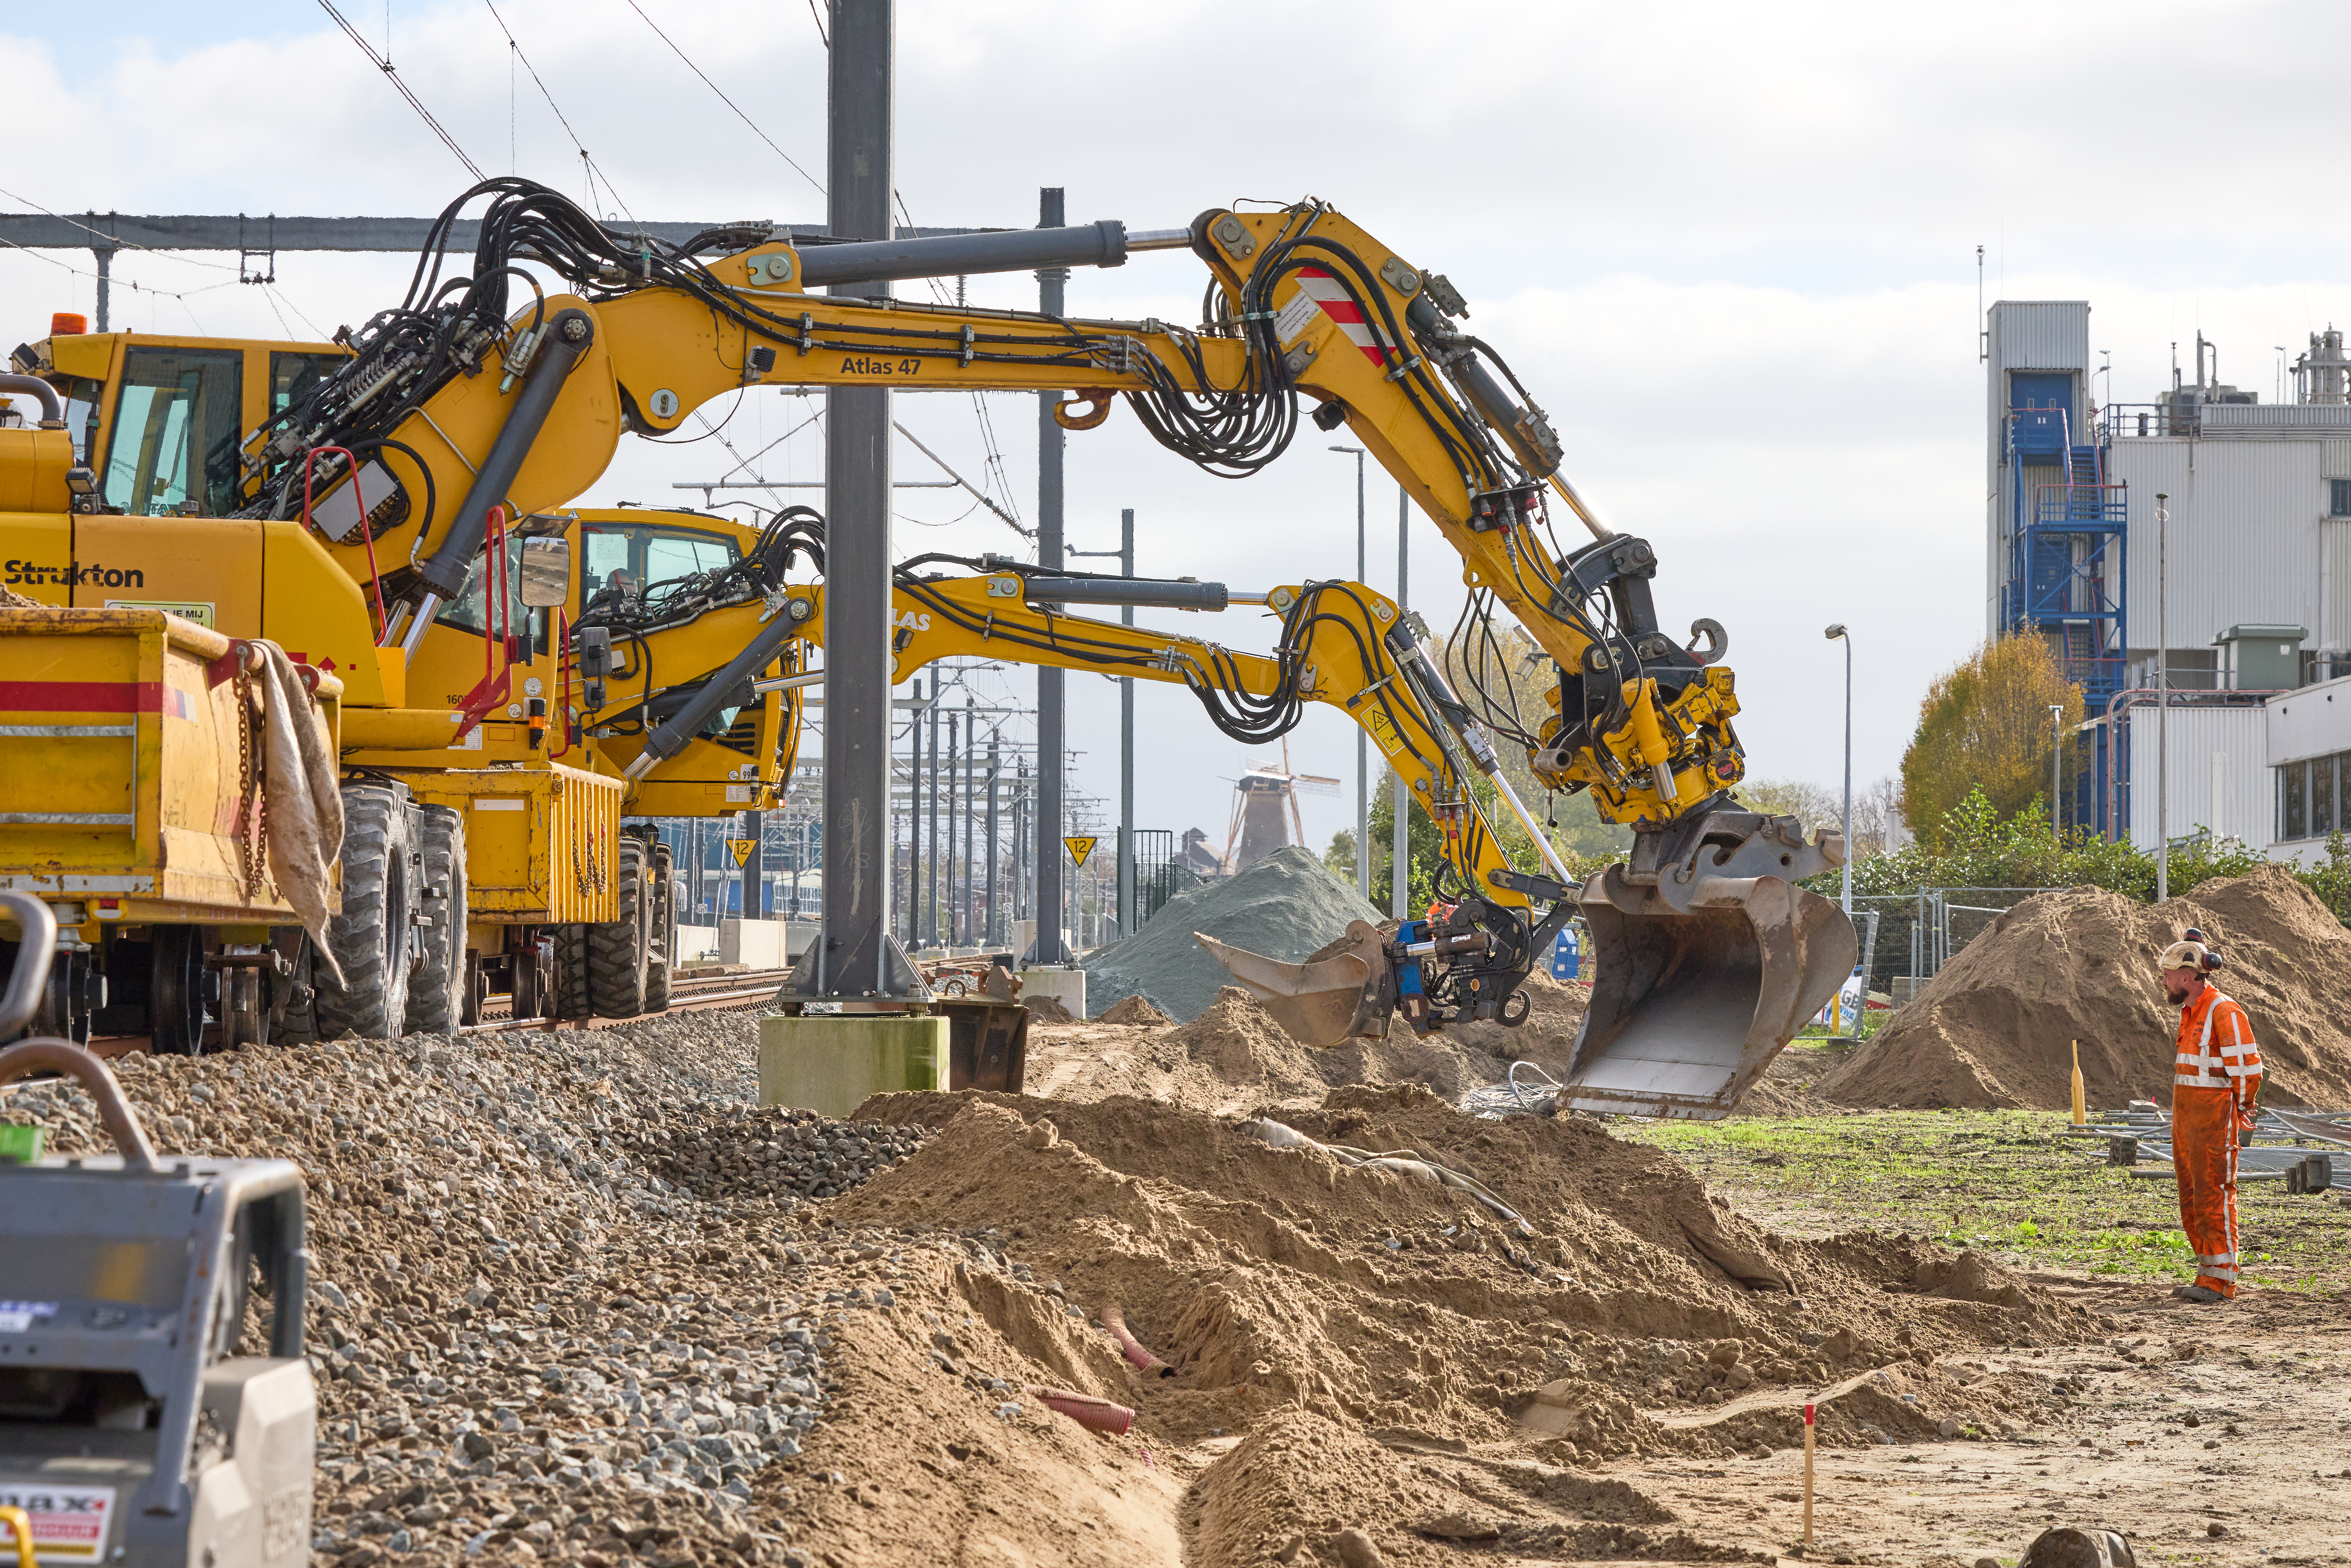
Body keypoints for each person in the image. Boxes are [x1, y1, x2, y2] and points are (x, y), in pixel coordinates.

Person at [2160, 936, 2262, 1304]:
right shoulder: (2191, 1012)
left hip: (2213, 1124)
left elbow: (2249, 1070)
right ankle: (2207, 1275)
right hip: (2188, 1124)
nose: (2164, 982)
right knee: (2192, 1198)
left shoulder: (2224, 1011)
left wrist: (2243, 1107)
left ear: (2188, 976)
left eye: (2168, 975)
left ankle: (2221, 1282)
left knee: (2213, 1196)